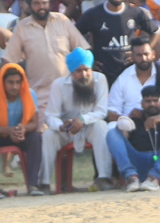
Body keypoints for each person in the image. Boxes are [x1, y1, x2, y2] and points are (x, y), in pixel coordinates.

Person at [1, 0, 90, 110]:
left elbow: (83, 50)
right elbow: (8, 60)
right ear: (29, 5)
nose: (41, 7)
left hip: (70, 91)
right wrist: (0, 85)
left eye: (44, 3)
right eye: (36, 3)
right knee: (45, 123)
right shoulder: (21, 27)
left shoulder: (62, 20)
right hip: (40, 95)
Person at [42, 47, 113, 190]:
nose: (84, 74)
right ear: (71, 71)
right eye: (78, 71)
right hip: (66, 130)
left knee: (101, 126)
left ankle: (104, 178)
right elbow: (50, 115)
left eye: (87, 70)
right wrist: (61, 126)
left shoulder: (100, 79)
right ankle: (44, 183)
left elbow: (101, 112)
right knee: (48, 134)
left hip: (89, 127)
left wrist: (82, 119)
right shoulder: (58, 85)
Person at [75, 0, 159, 89]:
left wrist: (143, 51)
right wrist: (87, 58)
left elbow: (156, 31)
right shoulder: (93, 14)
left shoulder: (136, 12)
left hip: (129, 72)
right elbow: (74, 35)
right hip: (102, 74)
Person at [0, 63, 44, 198]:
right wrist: (8, 130)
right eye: (10, 82)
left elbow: (34, 123)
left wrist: (23, 128)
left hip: (15, 133)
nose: (15, 87)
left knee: (35, 137)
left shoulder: (30, 94)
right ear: (2, 81)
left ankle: (33, 185)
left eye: (18, 82)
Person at [108, 84, 160, 192]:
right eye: (148, 101)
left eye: (155, 100)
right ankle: (131, 176)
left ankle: (155, 177)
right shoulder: (135, 119)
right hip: (138, 170)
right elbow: (122, 137)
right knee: (112, 133)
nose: (152, 104)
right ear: (142, 104)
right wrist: (126, 119)